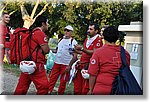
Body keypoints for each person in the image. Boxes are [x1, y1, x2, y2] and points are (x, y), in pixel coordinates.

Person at [88, 26, 130, 95]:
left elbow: (92, 74)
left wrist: (90, 89)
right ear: (117, 38)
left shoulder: (98, 53)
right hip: (120, 89)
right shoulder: (126, 53)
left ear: (104, 37)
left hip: (102, 88)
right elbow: (127, 71)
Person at [14, 15, 50, 95]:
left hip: (27, 62)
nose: (48, 25)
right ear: (43, 24)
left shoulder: (31, 32)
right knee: (44, 87)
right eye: (47, 23)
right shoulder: (40, 34)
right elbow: (46, 50)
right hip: (37, 64)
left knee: (22, 87)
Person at [74, 23, 103, 95]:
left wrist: (81, 48)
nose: (88, 31)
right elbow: (84, 52)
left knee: (85, 89)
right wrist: (76, 50)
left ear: (96, 31)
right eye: (88, 29)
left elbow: (95, 52)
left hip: (88, 67)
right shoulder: (87, 39)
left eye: (91, 29)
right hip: (81, 66)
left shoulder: (98, 40)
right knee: (77, 88)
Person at [48, 25, 78, 95]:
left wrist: (69, 66)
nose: (66, 32)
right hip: (57, 63)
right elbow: (56, 50)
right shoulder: (61, 40)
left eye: (68, 31)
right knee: (52, 78)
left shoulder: (73, 42)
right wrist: (48, 49)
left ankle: (60, 94)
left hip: (66, 64)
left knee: (63, 81)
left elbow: (75, 56)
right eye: (65, 30)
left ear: (71, 32)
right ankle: (49, 91)